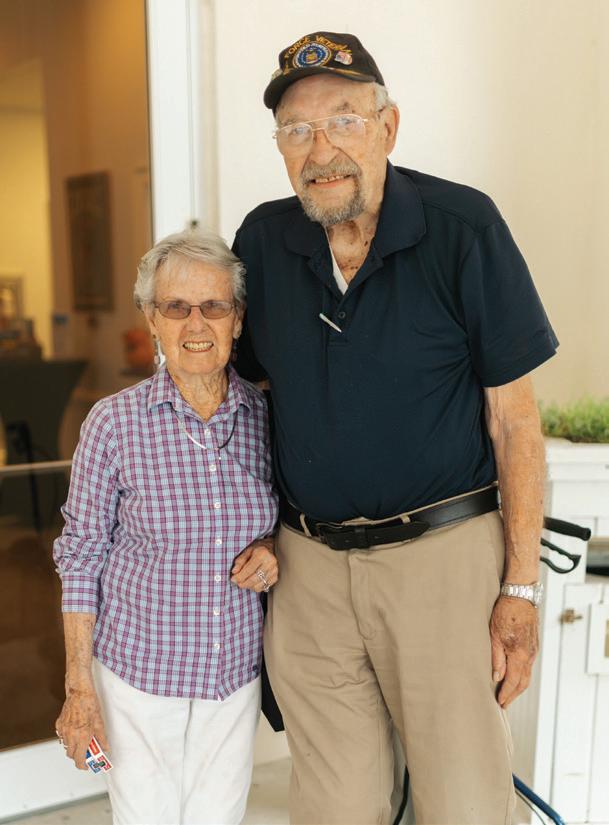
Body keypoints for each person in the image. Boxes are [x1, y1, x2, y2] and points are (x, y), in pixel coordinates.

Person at [233, 31, 558, 825]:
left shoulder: (462, 226)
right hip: (309, 568)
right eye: (297, 130)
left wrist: (518, 589)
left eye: (342, 121)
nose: (321, 151)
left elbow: (513, 421)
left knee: (464, 804)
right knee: (332, 807)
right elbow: (249, 400)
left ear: (387, 126)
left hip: (442, 560)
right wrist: (257, 528)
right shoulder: (263, 241)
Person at [53, 230, 278, 825]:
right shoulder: (112, 424)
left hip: (233, 675)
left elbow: (297, 519)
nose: (196, 323)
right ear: (152, 319)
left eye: (214, 306)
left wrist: (274, 547)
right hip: (138, 676)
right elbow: (80, 556)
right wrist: (80, 687)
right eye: (176, 307)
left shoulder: (267, 417)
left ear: (237, 319)